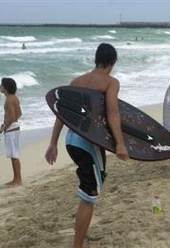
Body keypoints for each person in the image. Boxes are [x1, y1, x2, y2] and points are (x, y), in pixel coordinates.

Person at [45, 43, 129, 248]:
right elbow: (112, 113)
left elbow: (62, 114)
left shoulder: (77, 81)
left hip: (71, 141)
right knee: (89, 196)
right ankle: (77, 245)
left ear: (96, 59)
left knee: (89, 188)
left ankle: (80, 238)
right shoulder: (111, 82)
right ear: (112, 62)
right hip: (88, 145)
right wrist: (120, 144)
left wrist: (53, 143)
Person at [0, 78, 23, 187]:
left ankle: (18, 179)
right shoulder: (14, 98)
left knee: (14, 154)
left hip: (11, 129)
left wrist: (4, 126)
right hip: (14, 127)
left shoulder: (9, 99)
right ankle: (16, 178)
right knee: (14, 154)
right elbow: (19, 114)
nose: (0, 86)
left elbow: (12, 116)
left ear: (6, 88)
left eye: (1, 85)